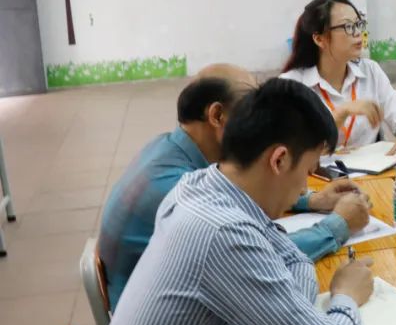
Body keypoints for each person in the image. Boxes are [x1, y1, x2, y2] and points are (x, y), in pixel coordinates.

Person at [96, 79, 377, 325]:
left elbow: (291, 257)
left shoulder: (204, 185)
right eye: (307, 170)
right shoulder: (222, 232)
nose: (305, 187)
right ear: (279, 160)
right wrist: (345, 295)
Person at [98, 64, 369, 309]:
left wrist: (309, 200)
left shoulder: (170, 148)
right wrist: (338, 225)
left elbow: (233, 186)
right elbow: (258, 254)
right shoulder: (181, 192)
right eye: (250, 108)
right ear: (217, 115)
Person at [282, 0, 396, 162]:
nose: (358, 33)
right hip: (317, 176)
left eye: (358, 24)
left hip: (373, 173)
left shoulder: (370, 71)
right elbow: (292, 151)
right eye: (348, 26)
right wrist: (342, 113)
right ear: (319, 39)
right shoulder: (291, 86)